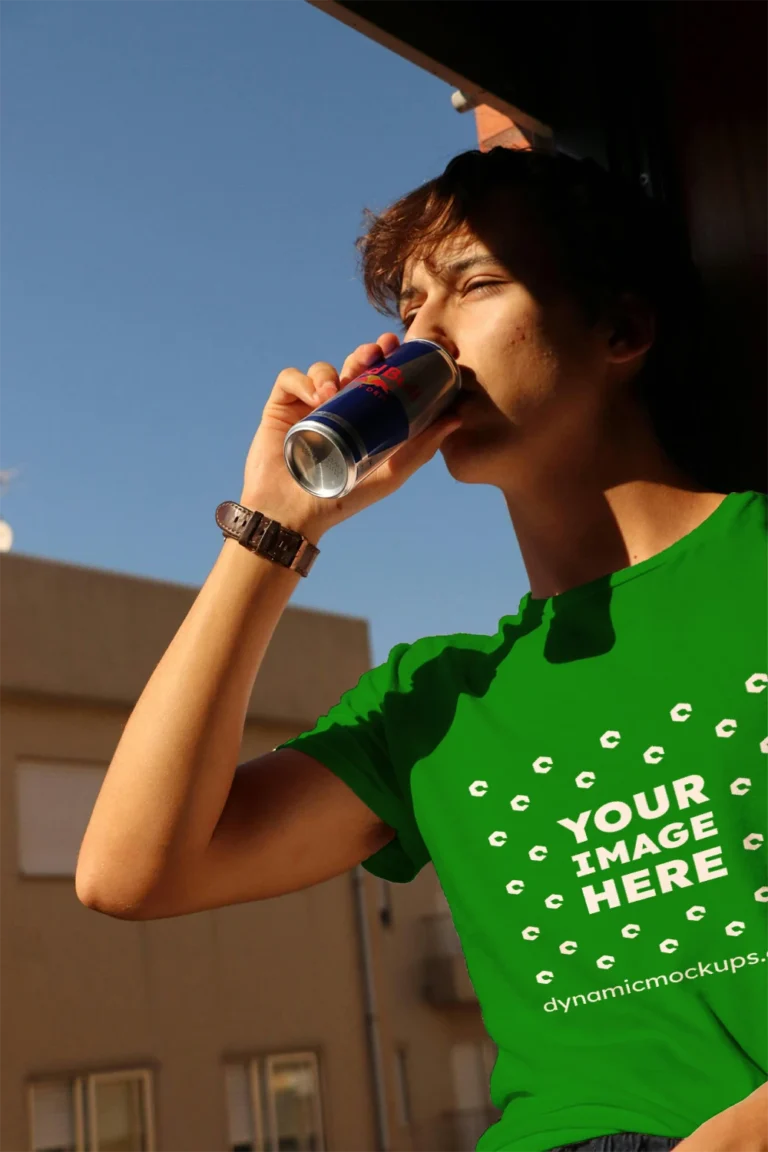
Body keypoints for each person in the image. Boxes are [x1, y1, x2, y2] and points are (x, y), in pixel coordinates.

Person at [76, 148, 768, 1152]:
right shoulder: (438, 698)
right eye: (409, 306)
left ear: (621, 328)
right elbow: (130, 873)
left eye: (476, 285)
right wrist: (280, 525)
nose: (423, 337)